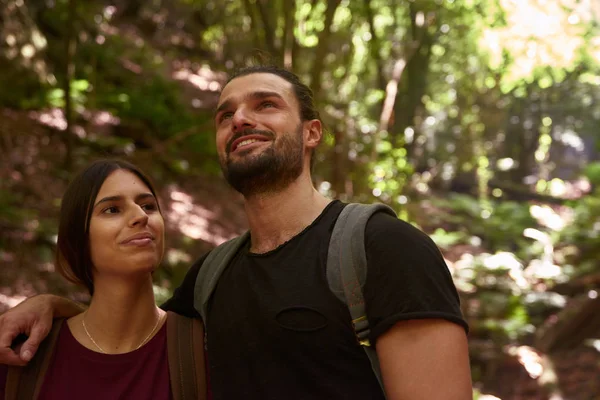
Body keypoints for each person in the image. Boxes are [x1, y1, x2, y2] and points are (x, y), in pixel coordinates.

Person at [0, 65, 472, 399]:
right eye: (226, 115)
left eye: (265, 105)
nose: (240, 119)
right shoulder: (211, 278)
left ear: (312, 133)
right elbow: (129, 325)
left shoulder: (384, 249)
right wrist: (50, 307)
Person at [0, 159, 206, 399]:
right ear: (78, 239)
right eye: (112, 209)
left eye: (148, 206)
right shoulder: (21, 356)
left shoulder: (203, 351)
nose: (140, 216)